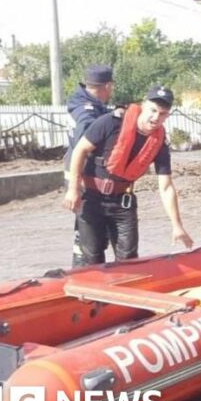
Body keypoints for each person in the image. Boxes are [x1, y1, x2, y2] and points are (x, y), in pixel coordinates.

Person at [63, 85, 193, 265]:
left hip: (122, 203)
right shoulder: (110, 122)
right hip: (91, 199)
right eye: (153, 110)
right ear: (143, 106)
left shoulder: (159, 142)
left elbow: (166, 186)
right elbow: (80, 150)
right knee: (92, 256)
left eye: (162, 114)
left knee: (129, 259)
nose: (155, 118)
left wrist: (177, 226)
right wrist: (73, 189)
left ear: (167, 116)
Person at [65, 65, 115, 267]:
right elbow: (84, 146)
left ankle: (85, 268)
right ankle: (83, 272)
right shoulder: (86, 112)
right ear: (108, 86)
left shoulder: (84, 103)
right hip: (82, 176)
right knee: (88, 230)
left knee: (88, 231)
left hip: (83, 176)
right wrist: (74, 187)